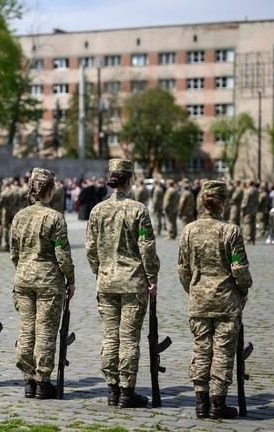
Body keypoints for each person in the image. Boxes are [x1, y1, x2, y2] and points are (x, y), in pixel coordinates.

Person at [86, 159, 160, 408]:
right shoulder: (137, 210)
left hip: (106, 282)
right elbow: (146, 247)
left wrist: (100, 270)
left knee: (110, 336)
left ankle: (112, 389)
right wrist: (152, 277)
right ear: (129, 179)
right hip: (132, 282)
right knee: (128, 338)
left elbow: (90, 248)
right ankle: (127, 391)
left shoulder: (97, 210)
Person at [177, 180, 252, 420]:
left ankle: (200, 402)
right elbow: (239, 268)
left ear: (203, 201)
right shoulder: (230, 231)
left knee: (201, 350)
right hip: (225, 300)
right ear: (223, 202)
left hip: (199, 299)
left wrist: (194, 289)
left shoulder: (189, 230)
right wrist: (244, 290)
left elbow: (183, 268)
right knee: (222, 351)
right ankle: (217, 403)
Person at [10, 167, 75, 400]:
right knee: (45, 331)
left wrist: (23, 268)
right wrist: (71, 279)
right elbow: (63, 254)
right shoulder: (54, 217)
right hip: (48, 280)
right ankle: (42, 381)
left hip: (24, 278)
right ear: (50, 191)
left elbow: (14, 252)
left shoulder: (20, 216)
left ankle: (28, 379)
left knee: (27, 329)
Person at [241, 180, 259, 245]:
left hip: (248, 210)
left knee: (247, 224)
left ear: (249, 183)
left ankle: (248, 238)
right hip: (254, 210)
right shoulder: (256, 190)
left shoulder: (248, 191)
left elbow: (245, 202)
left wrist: (243, 211)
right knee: (253, 224)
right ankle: (253, 239)